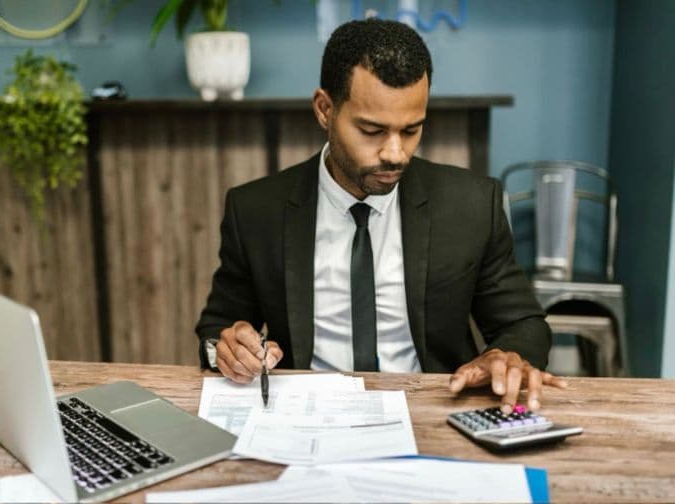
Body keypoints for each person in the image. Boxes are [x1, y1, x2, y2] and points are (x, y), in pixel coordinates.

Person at [196, 18, 566, 414]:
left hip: (434, 412)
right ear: (325, 109)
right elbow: (218, 329)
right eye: (372, 130)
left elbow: (524, 324)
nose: (395, 153)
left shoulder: (473, 205)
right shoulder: (256, 210)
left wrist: (506, 354)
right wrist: (228, 349)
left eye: (411, 130)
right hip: (303, 415)